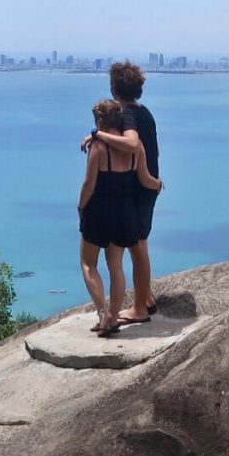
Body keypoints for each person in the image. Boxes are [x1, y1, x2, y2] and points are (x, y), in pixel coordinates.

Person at [77, 99, 159, 334]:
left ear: (99, 121)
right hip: (125, 212)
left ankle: (103, 312)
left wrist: (81, 207)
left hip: (99, 211)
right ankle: (113, 318)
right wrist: (158, 184)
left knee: (88, 264)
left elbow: (89, 184)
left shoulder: (98, 148)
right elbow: (145, 179)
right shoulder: (136, 147)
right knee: (116, 266)